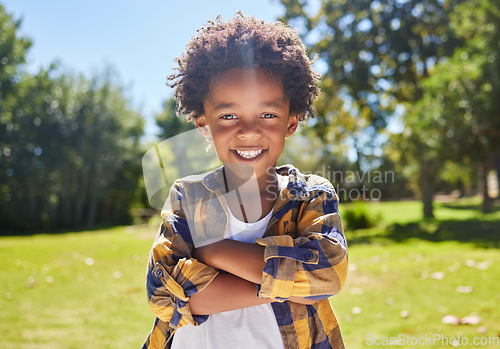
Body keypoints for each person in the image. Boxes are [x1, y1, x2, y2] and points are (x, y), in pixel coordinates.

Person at [143, 13, 348, 349]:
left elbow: (327, 274)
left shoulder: (310, 196)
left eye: (268, 114)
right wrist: (285, 285)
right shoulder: (188, 196)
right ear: (204, 125)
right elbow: (164, 295)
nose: (249, 130)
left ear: (291, 123)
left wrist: (213, 251)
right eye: (228, 115)